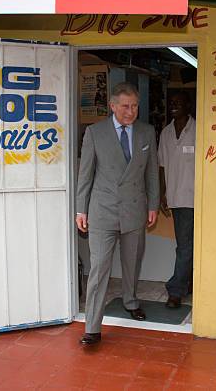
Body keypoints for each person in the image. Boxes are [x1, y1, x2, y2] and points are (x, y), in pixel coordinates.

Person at [76, 83, 159, 345]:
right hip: (102, 211)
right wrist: (81, 208)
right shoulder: (94, 132)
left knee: (132, 261)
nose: (130, 111)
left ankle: (131, 301)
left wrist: (153, 204)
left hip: (135, 209)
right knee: (99, 268)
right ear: (112, 106)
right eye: (125, 106)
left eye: (135, 106)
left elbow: (152, 173)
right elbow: (85, 175)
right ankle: (92, 327)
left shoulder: (147, 132)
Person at [158, 92, 196, 309]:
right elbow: (162, 165)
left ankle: (176, 290)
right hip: (175, 197)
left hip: (193, 197)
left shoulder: (197, 130)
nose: (174, 105)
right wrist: (162, 193)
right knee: (185, 245)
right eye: (171, 102)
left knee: (184, 246)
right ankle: (187, 283)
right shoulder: (165, 133)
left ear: (188, 105)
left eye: (178, 102)